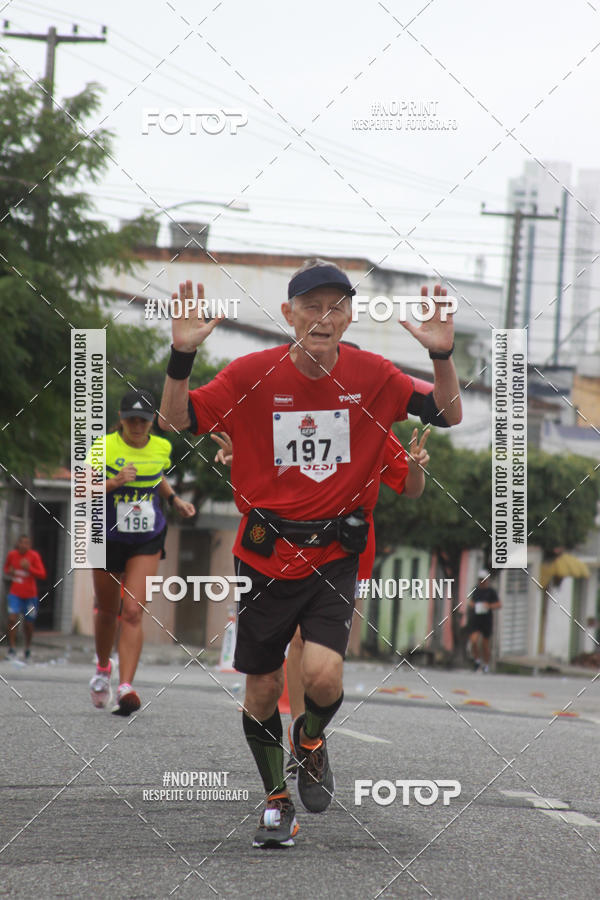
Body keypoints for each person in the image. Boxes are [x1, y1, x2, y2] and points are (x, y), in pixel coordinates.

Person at [159, 259, 461, 848]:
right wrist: (181, 356)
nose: (324, 318)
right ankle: (276, 800)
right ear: (289, 314)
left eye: (336, 306)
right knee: (263, 690)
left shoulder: (375, 375)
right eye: (312, 306)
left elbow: (448, 413)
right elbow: (175, 419)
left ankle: (311, 740)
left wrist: (442, 357)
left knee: (322, 675)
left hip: (333, 553)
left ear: (349, 316)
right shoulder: (251, 373)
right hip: (265, 554)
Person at [212, 425, 432, 778]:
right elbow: (267, 466)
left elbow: (410, 487)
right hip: (286, 549)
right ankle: (302, 738)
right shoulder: (289, 412)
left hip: (340, 550)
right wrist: (243, 460)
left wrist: (417, 465)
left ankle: (308, 736)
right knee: (293, 643)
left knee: (312, 648)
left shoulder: (367, 419)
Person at [86, 388, 195, 715]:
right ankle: (104, 668)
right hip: (105, 535)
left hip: (146, 536)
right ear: (120, 419)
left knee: (132, 611)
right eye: (131, 419)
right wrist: (114, 482)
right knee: (107, 611)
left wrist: (174, 499)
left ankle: (126, 685)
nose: (137, 425)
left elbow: (156, 475)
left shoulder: (162, 447)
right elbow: (84, 488)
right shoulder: (102, 446)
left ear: (152, 422)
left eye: (144, 420)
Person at [4, 534, 47, 661]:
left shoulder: (34, 556)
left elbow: (42, 574)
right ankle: (11, 648)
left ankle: (27, 648)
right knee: (12, 619)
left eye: (26, 543)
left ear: (30, 545)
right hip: (15, 594)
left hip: (30, 596)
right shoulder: (12, 555)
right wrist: (10, 571)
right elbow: (6, 568)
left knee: (28, 624)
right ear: (18, 544)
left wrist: (30, 568)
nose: (24, 545)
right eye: (21, 543)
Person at [466, 569, 501, 673]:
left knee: (485, 645)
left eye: (483, 579)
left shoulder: (491, 592)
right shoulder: (475, 590)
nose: (481, 581)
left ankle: (486, 664)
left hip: (486, 620)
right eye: (480, 579)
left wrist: (489, 606)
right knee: (474, 641)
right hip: (476, 619)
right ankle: (477, 660)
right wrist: (472, 605)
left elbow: (498, 604)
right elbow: (471, 602)